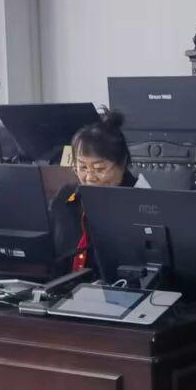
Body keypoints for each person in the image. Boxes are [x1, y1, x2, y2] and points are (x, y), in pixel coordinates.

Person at [49, 110, 149, 273]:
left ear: (122, 163)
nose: (89, 177)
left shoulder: (142, 203)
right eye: (82, 167)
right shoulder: (66, 198)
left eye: (99, 169)